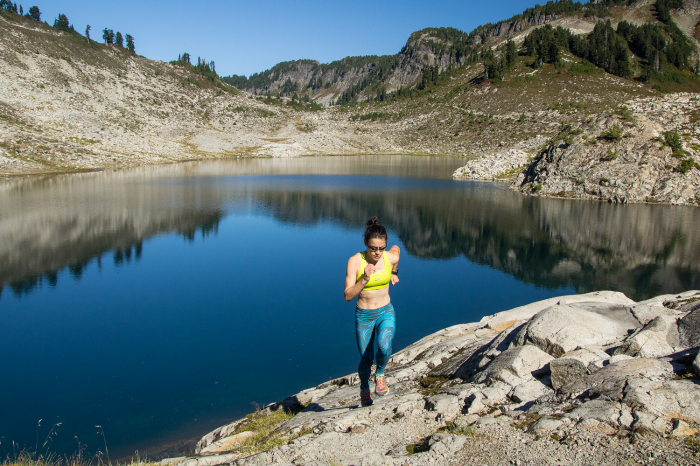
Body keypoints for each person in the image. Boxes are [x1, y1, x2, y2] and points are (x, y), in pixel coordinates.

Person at [344, 216, 400, 406]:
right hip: (364, 315)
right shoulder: (355, 262)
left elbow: (397, 251)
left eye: (381, 248)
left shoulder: (388, 257)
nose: (377, 252)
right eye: (373, 248)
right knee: (366, 359)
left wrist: (394, 272)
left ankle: (381, 374)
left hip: (385, 310)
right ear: (365, 243)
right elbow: (348, 296)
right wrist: (364, 280)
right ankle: (364, 388)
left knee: (384, 347)